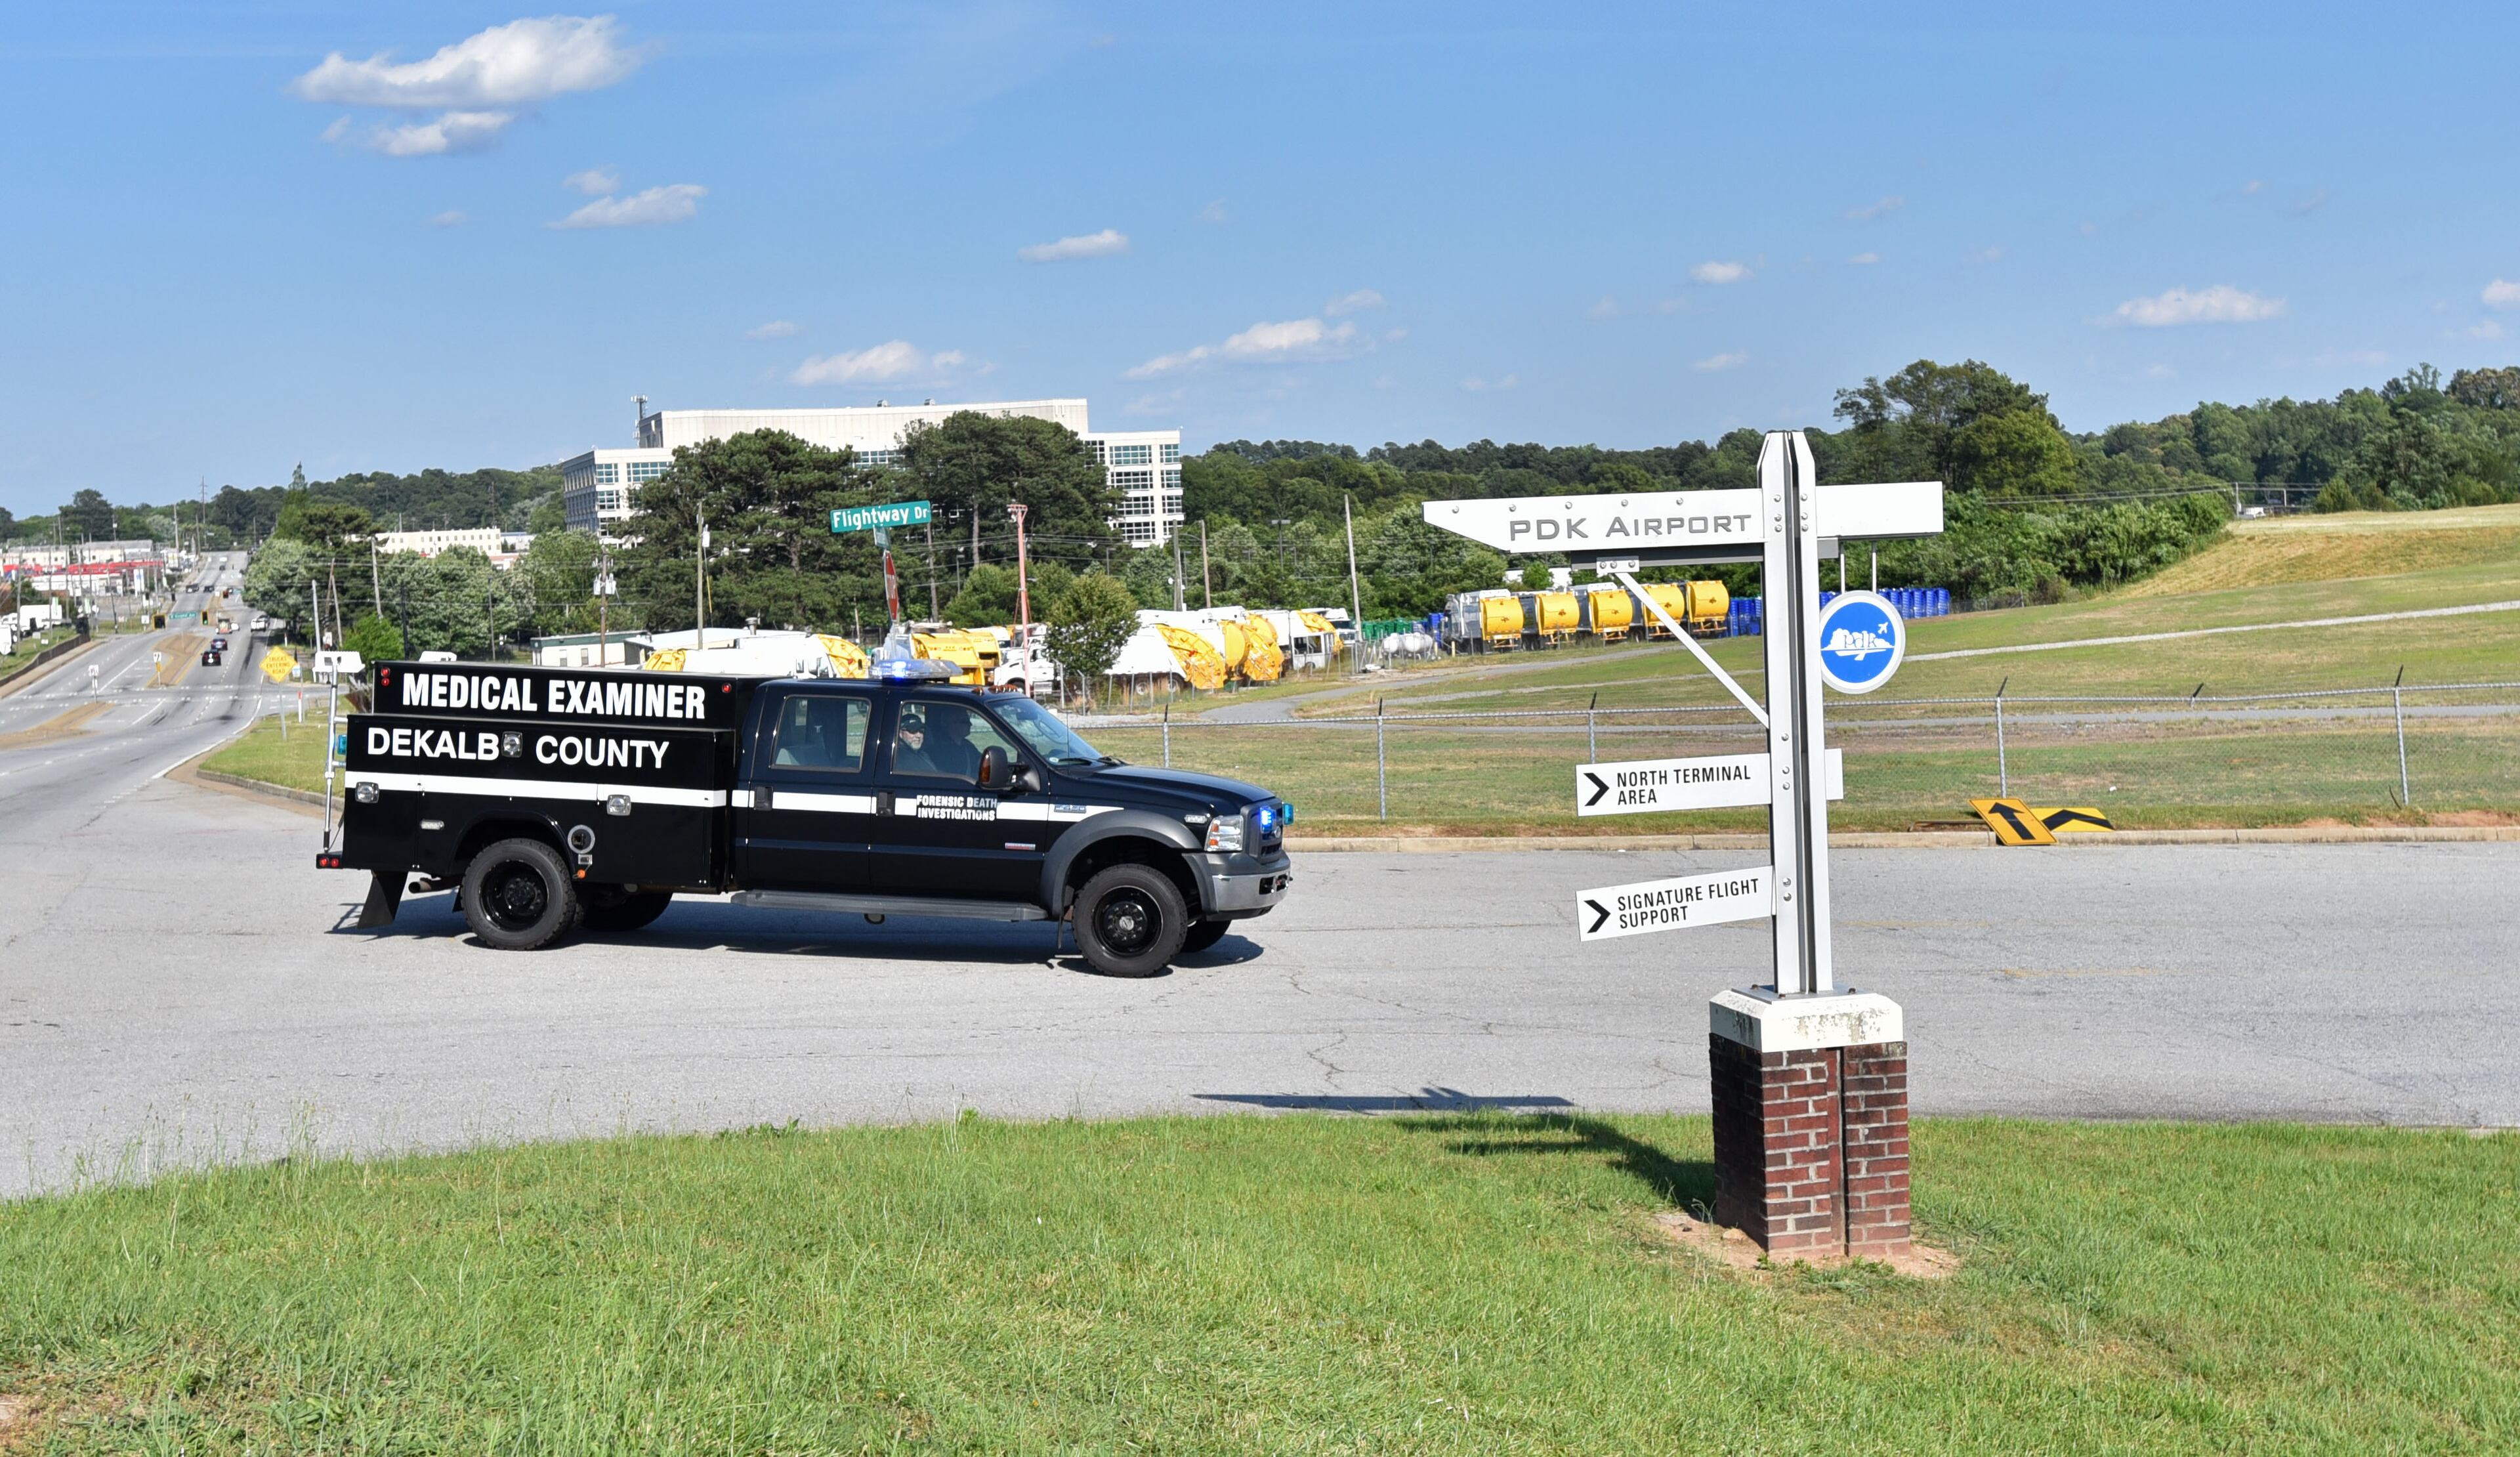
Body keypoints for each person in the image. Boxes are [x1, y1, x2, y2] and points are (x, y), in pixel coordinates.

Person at [892, 706, 936, 775]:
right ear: (900, 733)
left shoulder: (923, 754)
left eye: (921, 731)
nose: (918, 736)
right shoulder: (898, 759)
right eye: (913, 731)